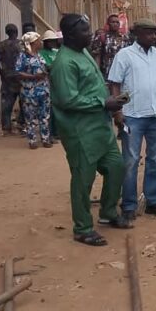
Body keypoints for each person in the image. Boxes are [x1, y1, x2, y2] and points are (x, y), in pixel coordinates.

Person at [50, 13, 131, 246]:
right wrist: (103, 103)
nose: (90, 34)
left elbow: (95, 84)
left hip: (100, 127)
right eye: (85, 31)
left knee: (116, 167)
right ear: (71, 35)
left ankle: (108, 213)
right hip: (80, 132)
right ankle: (83, 228)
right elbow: (67, 100)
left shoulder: (83, 52)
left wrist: (112, 108)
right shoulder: (65, 63)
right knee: (83, 180)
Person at [107, 19, 156, 222]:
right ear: (138, 34)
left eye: (155, 33)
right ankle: (129, 204)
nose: (154, 37)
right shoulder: (124, 56)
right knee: (131, 160)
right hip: (132, 116)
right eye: (149, 33)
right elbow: (115, 84)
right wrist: (117, 112)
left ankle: (153, 200)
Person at [16, 32, 52, 149]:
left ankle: (45, 139)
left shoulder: (39, 55)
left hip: (44, 90)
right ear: (32, 42)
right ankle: (32, 140)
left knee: (45, 116)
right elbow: (18, 72)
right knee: (30, 117)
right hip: (29, 92)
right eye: (38, 40)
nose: (40, 42)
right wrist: (33, 77)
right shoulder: (23, 56)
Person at [0, 24, 23, 134]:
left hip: (8, 78)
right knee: (24, 102)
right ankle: (21, 125)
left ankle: (6, 128)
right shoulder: (22, 44)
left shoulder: (1, 45)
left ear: (7, 32)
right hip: (22, 77)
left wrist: (1, 73)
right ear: (16, 31)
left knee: (7, 104)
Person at [90, 14, 130, 81]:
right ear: (108, 24)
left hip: (122, 71)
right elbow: (97, 56)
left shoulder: (125, 38)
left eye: (117, 22)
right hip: (107, 72)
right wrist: (97, 72)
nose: (115, 24)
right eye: (113, 22)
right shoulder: (101, 37)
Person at [40, 30, 61, 140]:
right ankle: (51, 133)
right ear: (45, 42)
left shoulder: (57, 52)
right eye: (50, 41)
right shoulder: (41, 53)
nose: (52, 43)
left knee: (58, 108)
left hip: (58, 83)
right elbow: (47, 67)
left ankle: (57, 132)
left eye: (53, 41)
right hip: (47, 83)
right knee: (49, 110)